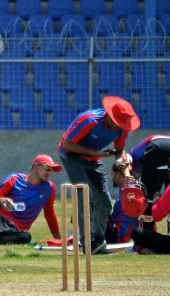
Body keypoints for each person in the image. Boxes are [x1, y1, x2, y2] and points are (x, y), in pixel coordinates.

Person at [58, 95, 140, 253]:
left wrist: (123, 164)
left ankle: (97, 240)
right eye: (119, 122)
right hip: (71, 155)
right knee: (85, 196)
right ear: (109, 115)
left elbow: (119, 150)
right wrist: (94, 152)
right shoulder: (89, 121)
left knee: (104, 201)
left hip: (94, 158)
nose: (120, 127)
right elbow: (67, 144)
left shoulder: (122, 129)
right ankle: (86, 242)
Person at [0, 154, 61, 245]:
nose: (49, 172)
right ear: (36, 166)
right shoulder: (15, 179)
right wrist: (0, 201)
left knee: (25, 237)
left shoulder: (49, 188)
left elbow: (49, 214)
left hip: (15, 230)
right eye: (47, 168)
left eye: (51, 169)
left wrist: (58, 239)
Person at [126, 134, 170, 199]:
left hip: (159, 146)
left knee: (147, 194)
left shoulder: (133, 155)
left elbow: (128, 158)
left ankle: (149, 206)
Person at [106, 159, 143, 244]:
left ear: (118, 175)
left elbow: (132, 196)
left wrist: (125, 170)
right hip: (117, 233)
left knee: (92, 206)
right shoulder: (124, 190)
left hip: (120, 236)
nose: (111, 176)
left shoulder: (130, 189)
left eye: (113, 173)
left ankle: (79, 239)